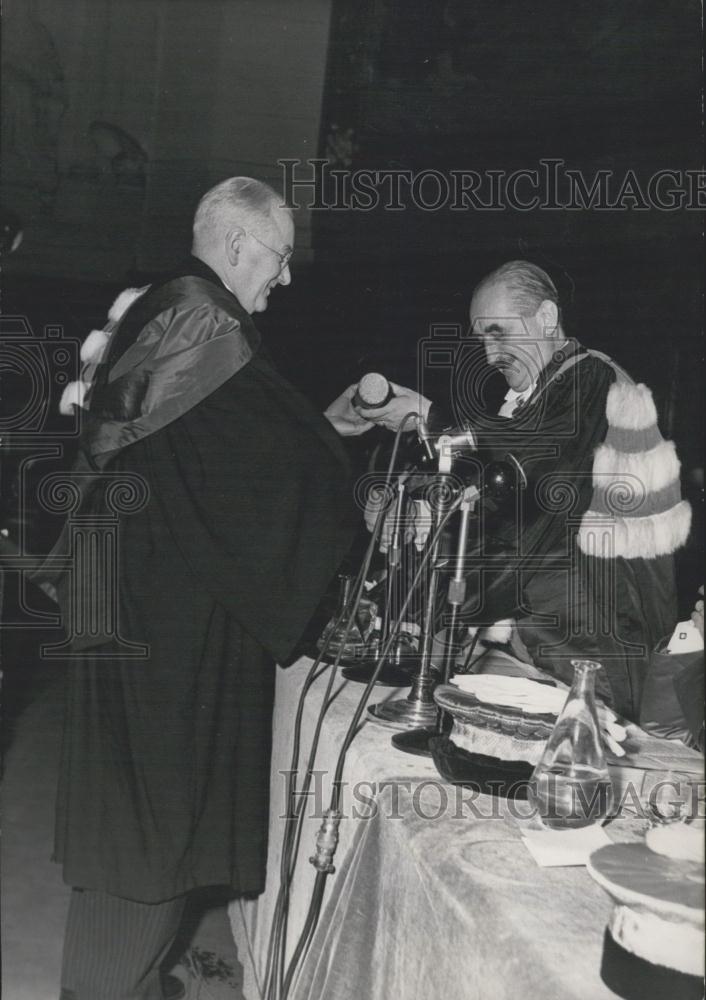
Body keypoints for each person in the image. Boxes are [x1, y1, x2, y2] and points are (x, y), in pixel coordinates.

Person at [41, 177, 369, 1000]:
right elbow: (267, 469)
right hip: (161, 634)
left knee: (138, 826)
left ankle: (133, 984)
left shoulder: (165, 309)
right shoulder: (202, 319)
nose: (285, 279)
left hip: (138, 608)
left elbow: (215, 459)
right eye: (280, 257)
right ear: (235, 245)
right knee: (149, 837)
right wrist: (333, 457)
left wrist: (319, 429)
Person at [358, 261, 691, 718]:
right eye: (482, 339)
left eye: (499, 333)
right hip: (546, 640)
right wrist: (419, 509)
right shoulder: (545, 393)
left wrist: (429, 416)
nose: (490, 354)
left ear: (547, 318)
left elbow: (533, 462)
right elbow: (503, 501)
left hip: (593, 647)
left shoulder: (592, 379)